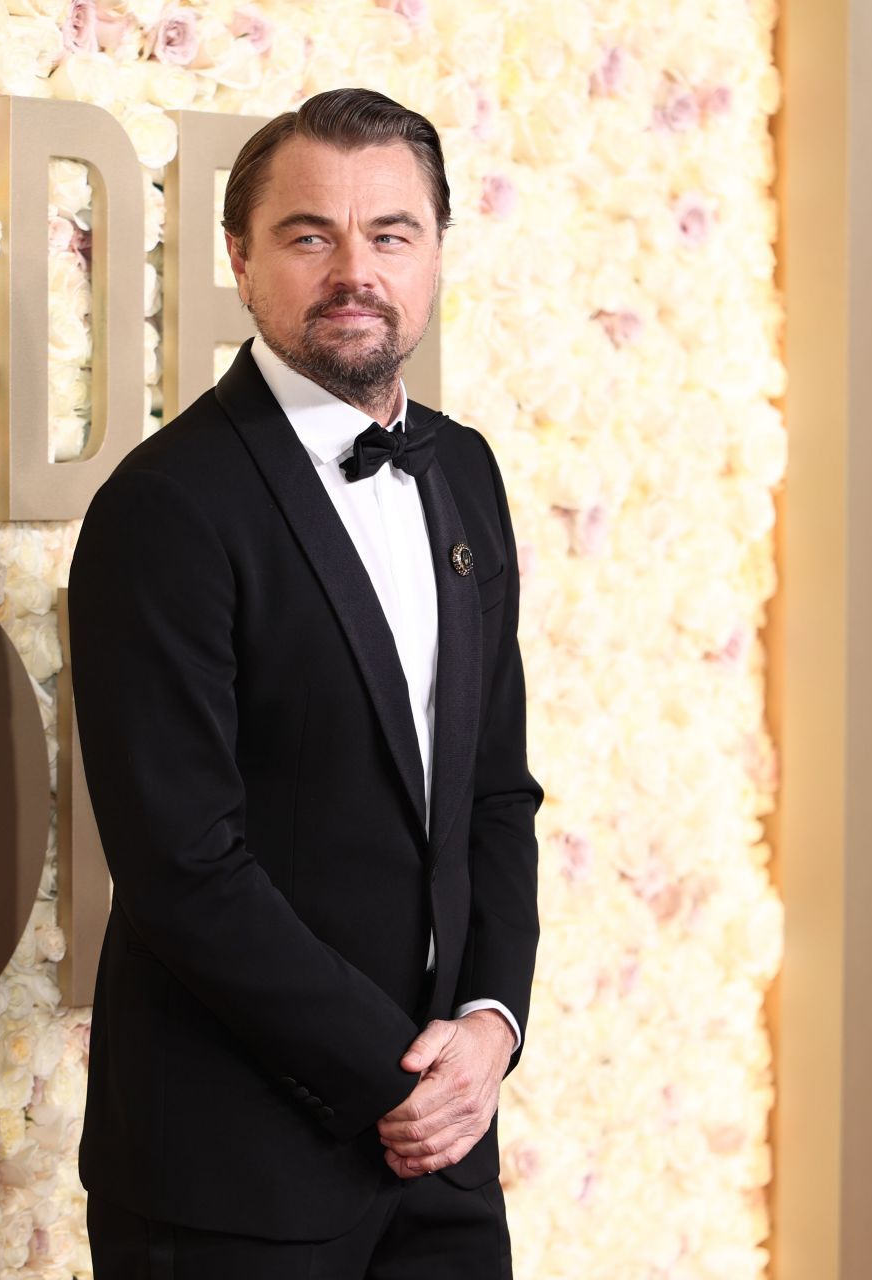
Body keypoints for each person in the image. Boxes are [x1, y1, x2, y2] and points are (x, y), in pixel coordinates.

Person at [67, 86, 543, 1277]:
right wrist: (400, 1078)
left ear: (435, 252)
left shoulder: (465, 474)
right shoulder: (165, 508)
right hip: (231, 1175)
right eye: (307, 235)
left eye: (391, 233)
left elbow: (495, 791)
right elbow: (184, 868)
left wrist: (490, 1025)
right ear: (239, 257)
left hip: (443, 1157)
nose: (355, 270)